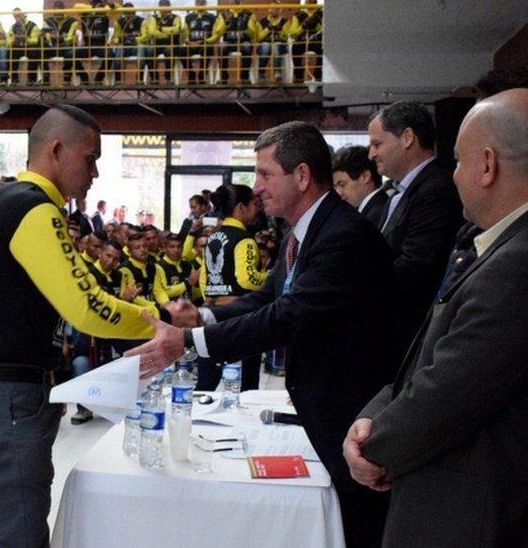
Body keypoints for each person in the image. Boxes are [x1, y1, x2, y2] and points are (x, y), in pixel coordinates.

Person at [345, 88, 528, 547]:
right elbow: (427, 356)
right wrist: (375, 413)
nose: (453, 175)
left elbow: (449, 390)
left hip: (483, 522)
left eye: (459, 161)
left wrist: (372, 444)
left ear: (487, 165)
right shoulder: (522, 239)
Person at [127, 121, 395, 547]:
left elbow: (286, 317)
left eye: (266, 174)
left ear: (302, 176)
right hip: (325, 408)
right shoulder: (303, 231)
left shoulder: (342, 237)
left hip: (352, 414)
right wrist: (201, 317)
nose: (257, 188)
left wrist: (191, 343)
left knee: (358, 528)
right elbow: (267, 296)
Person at [0, 105, 159, 548]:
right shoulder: (33, 208)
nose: (95, 173)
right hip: (6, 394)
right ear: (57, 149)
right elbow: (84, 307)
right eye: (90, 158)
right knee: (19, 538)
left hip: (2, 387)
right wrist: (155, 324)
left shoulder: (1, 205)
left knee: (18, 532)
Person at [369, 102, 463, 359]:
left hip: (411, 337)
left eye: (377, 144)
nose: (371, 154)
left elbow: (417, 268)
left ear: (408, 138)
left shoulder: (436, 189)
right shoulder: (397, 193)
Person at [198, 184, 267, 391]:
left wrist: (213, 298)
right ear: (241, 208)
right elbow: (246, 279)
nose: (258, 209)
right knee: (247, 380)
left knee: (207, 379)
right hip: (239, 313)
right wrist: (269, 278)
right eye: (254, 204)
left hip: (210, 310)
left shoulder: (212, 237)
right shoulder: (244, 239)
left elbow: (204, 277)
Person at [332, 145, 388, 227]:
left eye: (342, 184)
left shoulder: (379, 213)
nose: (338, 192)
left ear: (365, 176)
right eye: (335, 187)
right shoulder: (372, 210)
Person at [8, 8, 41, 85]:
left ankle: (32, 79)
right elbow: (9, 40)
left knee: (34, 51)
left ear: (23, 15)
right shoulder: (13, 27)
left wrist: (26, 39)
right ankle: (14, 79)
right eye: (15, 16)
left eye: (19, 15)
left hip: (29, 47)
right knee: (10, 52)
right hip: (18, 48)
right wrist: (14, 40)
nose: (18, 18)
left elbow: (35, 40)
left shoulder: (33, 25)